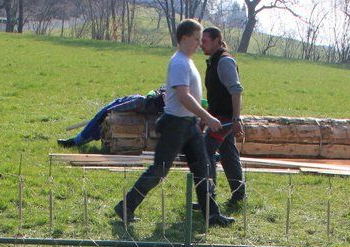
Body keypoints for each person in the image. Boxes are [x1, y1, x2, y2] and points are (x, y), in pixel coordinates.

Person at [115, 19, 233, 227]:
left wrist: (199, 117)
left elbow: (189, 98)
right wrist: (207, 117)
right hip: (175, 126)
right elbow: (183, 96)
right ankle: (126, 207)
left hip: (188, 125)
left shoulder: (187, 61)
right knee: (159, 170)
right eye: (196, 39)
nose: (199, 44)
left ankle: (211, 214)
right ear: (184, 38)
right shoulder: (179, 62)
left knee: (203, 168)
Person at [201, 27, 245, 208]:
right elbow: (216, 94)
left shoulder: (224, 61)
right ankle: (239, 196)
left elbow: (236, 92)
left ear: (216, 41)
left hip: (225, 119)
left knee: (205, 151)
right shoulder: (214, 61)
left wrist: (236, 119)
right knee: (228, 154)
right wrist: (206, 115)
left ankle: (208, 198)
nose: (201, 44)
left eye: (205, 41)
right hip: (219, 117)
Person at [58, 90, 164, 148]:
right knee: (97, 123)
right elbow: (116, 108)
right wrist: (104, 115)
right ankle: (74, 142)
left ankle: (78, 141)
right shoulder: (140, 102)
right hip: (121, 104)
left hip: (133, 113)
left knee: (99, 129)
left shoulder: (161, 108)